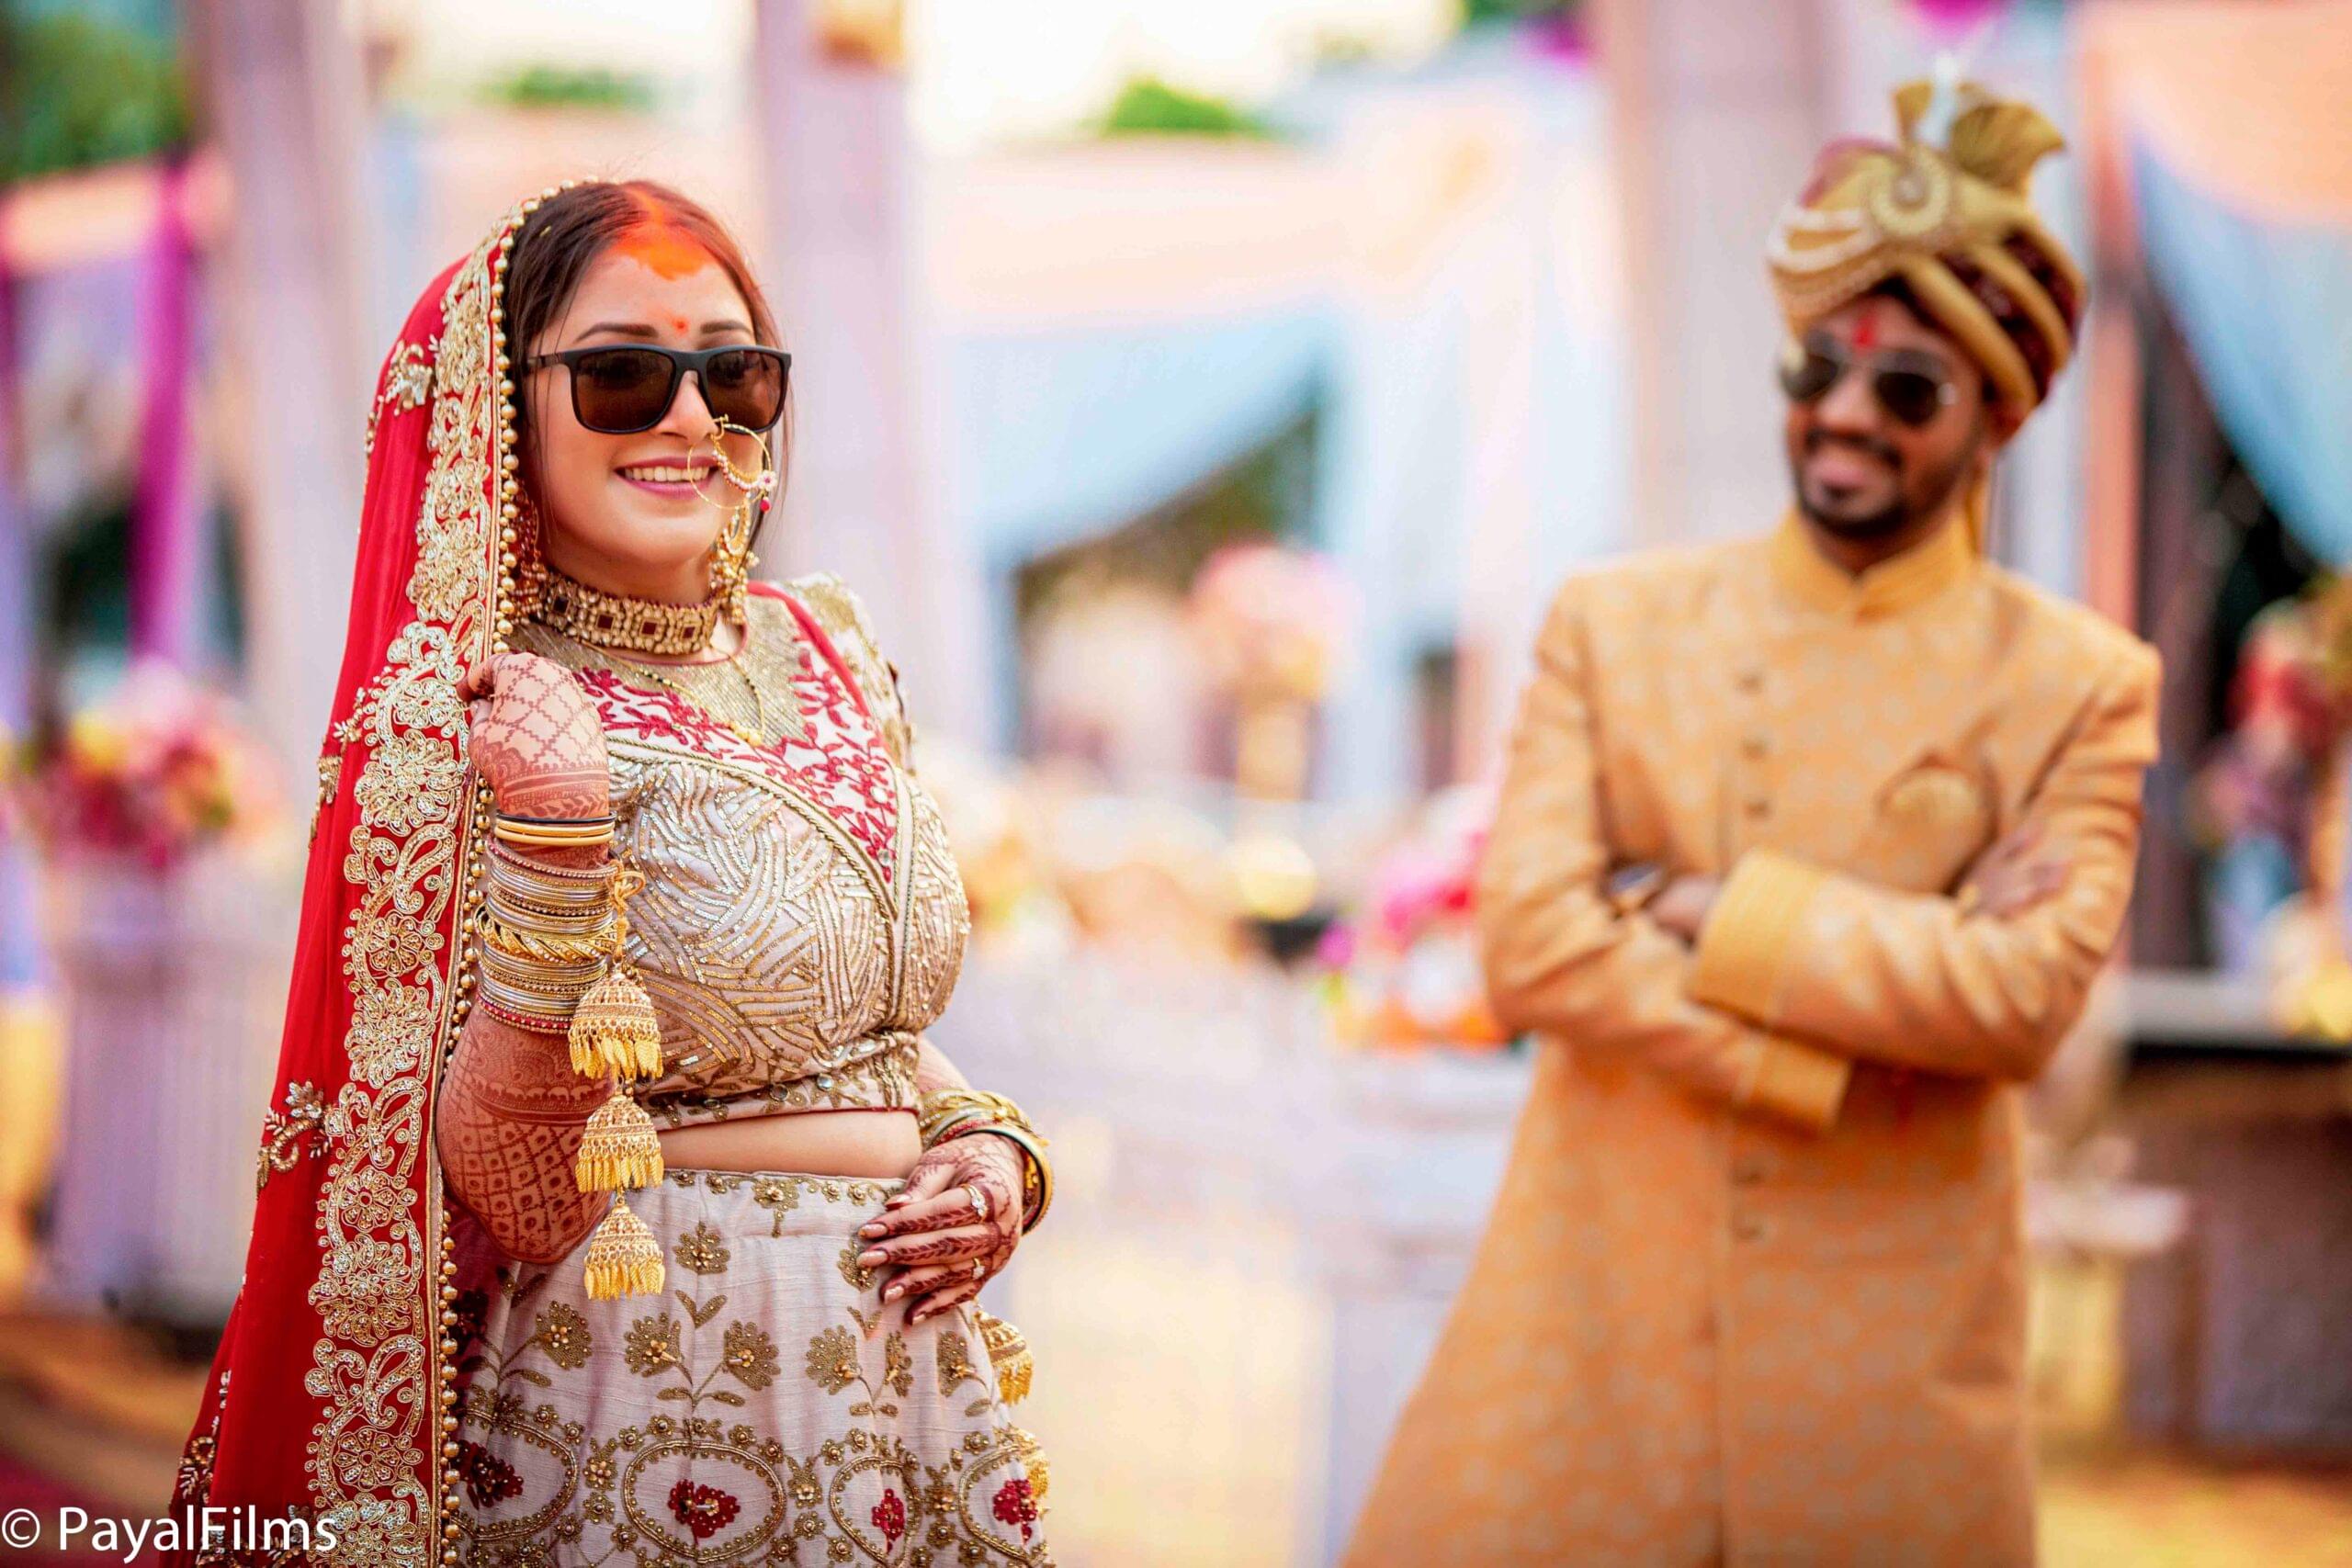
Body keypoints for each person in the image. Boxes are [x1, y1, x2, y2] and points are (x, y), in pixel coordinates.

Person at [161, 182, 1056, 1567]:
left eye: (733, 371)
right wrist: (558, 833)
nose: (692, 420)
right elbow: (516, 1198)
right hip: (636, 1372)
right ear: (502, 407)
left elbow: (861, 1027)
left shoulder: (823, 643)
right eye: (625, 374)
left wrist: (988, 1148)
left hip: (896, 1392)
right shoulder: (479, 707)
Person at [1344, 80, 2159, 1566]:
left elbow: (2025, 997)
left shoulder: (2079, 687)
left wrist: (1718, 908)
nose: (1844, 412)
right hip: (1588, 1356)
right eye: (1820, 367)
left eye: (1909, 387)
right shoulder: (1616, 625)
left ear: (1995, 416)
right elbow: (1532, 944)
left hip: (1885, 1400)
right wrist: (1833, 1044)